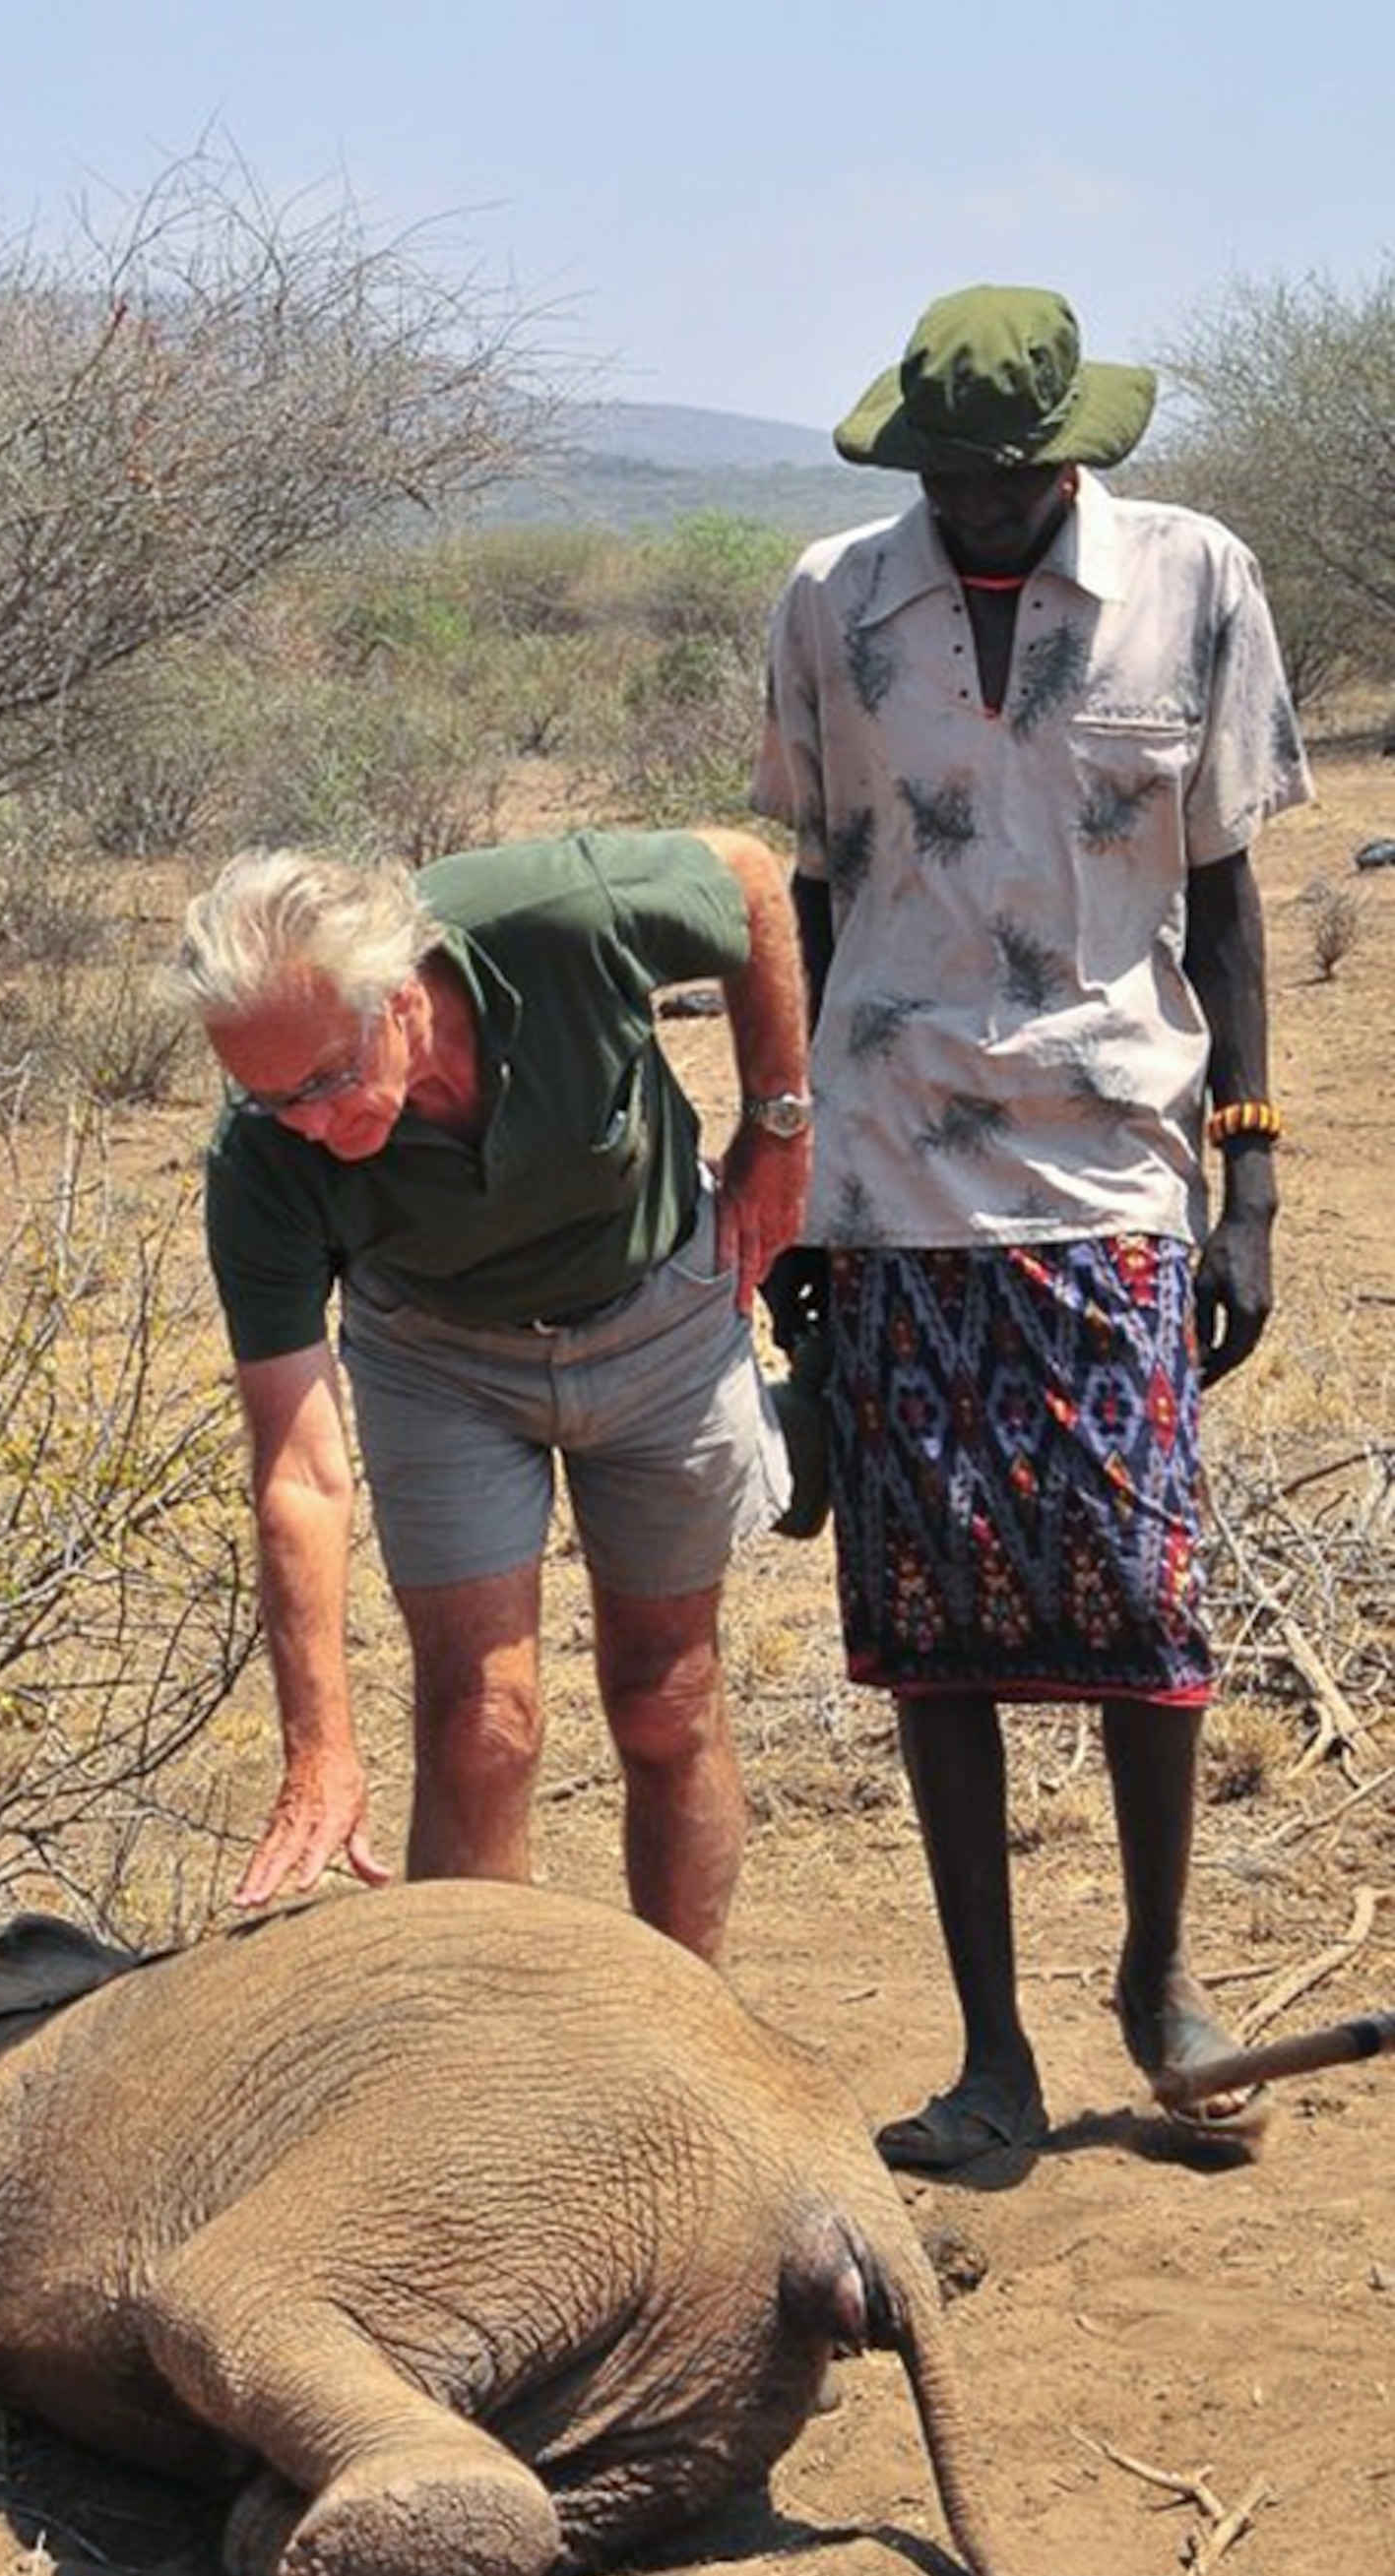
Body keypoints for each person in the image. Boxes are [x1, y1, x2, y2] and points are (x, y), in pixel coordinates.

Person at [751, 284, 1313, 2169]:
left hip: (1113, 1165)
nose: (979, 505)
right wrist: (802, 1167)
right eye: (948, 478)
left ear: (1072, 450)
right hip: (893, 1175)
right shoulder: (828, 602)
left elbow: (1221, 895)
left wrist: (1245, 1174)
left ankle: (1156, 1977)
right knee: (931, 1631)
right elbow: (816, 896)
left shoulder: (1191, 579)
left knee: (1141, 1597)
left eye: (1009, 476)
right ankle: (988, 2053)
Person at [160, 826, 815, 1965]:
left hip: (657, 1315)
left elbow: (751, 877)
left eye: (322, 1081)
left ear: (400, 997)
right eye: (267, 1098)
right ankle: (470, 2042)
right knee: (480, 1723)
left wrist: (777, 1121)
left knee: (664, 1698)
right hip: (439, 1358)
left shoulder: (558, 920)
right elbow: (300, 1471)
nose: (304, 1124)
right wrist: (319, 1748)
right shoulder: (262, 1160)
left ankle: (679, 2023)